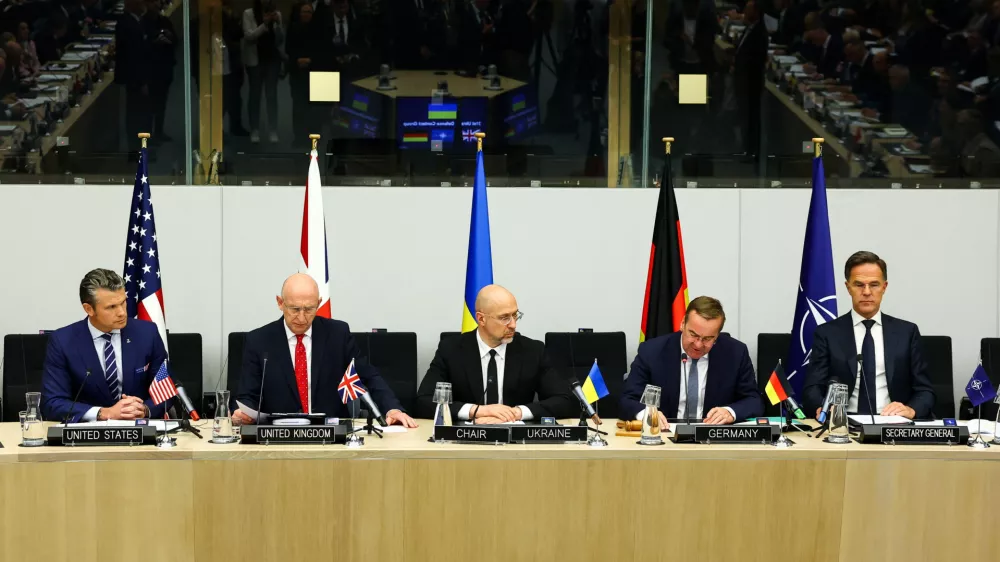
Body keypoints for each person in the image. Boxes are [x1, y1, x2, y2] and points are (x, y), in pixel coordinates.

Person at [233, 274, 417, 427]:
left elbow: (368, 375)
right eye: (295, 309)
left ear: (319, 303)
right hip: (278, 435)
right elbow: (248, 395)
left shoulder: (337, 334)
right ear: (280, 303)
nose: (302, 317)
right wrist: (243, 414)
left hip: (330, 433)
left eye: (309, 309)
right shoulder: (259, 340)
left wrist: (392, 408)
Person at [415, 285, 576, 422]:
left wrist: (516, 413)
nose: (513, 325)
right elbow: (423, 401)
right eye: (505, 318)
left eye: (515, 315)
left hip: (517, 443)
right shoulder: (451, 350)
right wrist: (476, 411)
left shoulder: (532, 350)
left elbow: (563, 401)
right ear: (481, 319)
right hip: (465, 442)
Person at [804, 251, 935, 419]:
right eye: (859, 285)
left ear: (884, 287)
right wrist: (822, 407)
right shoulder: (827, 333)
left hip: (892, 422)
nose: (866, 292)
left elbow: (925, 391)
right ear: (848, 287)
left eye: (874, 284)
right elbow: (812, 387)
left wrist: (910, 410)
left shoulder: (907, 333)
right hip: (843, 422)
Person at [41, 269, 169, 423]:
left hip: (138, 431)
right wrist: (104, 413)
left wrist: (144, 410)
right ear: (89, 309)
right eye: (111, 307)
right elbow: (52, 403)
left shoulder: (147, 333)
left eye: (123, 302)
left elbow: (167, 389)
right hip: (85, 438)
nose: (122, 312)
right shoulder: (63, 341)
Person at [619, 296, 762, 431]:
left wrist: (730, 412)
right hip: (664, 437)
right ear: (682, 324)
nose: (698, 345)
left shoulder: (735, 353)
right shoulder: (652, 351)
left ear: (717, 335)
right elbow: (627, 399)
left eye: (708, 339)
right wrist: (646, 414)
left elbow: (754, 400)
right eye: (693, 334)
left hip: (713, 440)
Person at [243, 0, 286, 144]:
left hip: (272, 59)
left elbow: (280, 40)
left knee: (271, 95)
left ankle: (273, 129)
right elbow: (249, 36)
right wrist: (265, 24)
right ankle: (254, 129)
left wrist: (278, 24)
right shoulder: (248, 14)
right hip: (255, 60)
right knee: (255, 94)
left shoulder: (277, 13)